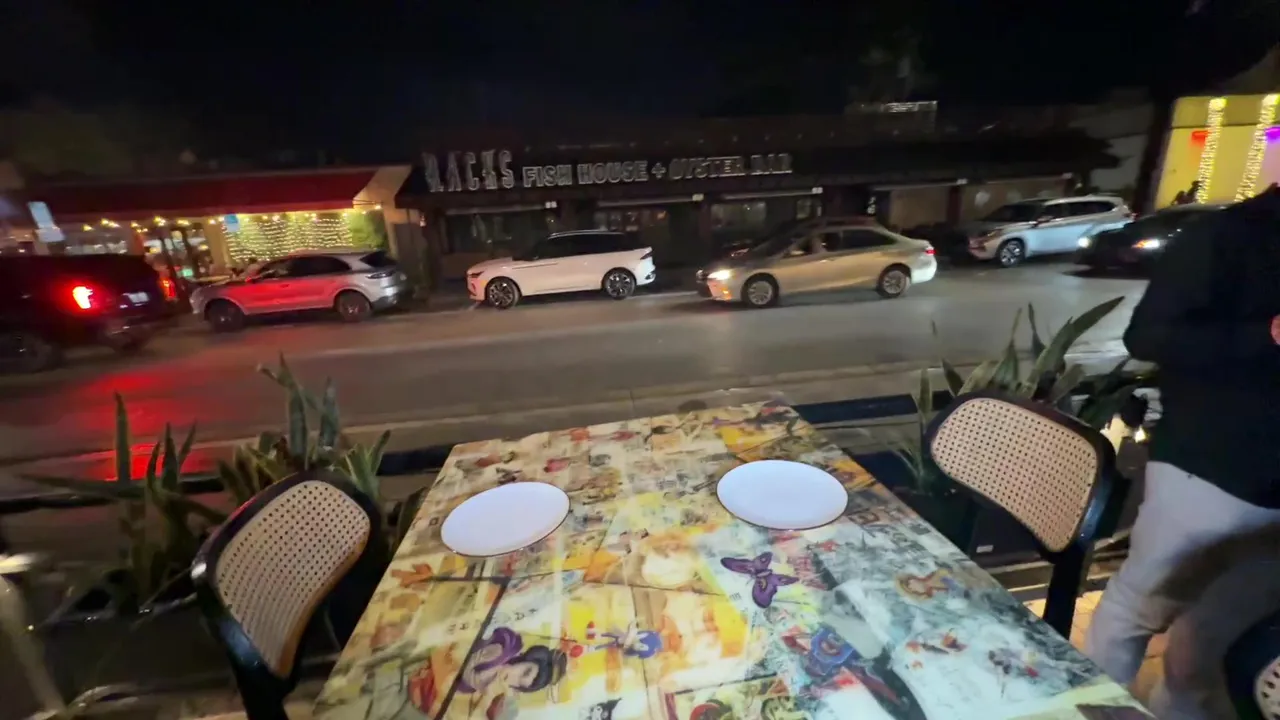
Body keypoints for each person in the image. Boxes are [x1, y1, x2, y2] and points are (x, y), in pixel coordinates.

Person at [1084, 185, 1280, 718]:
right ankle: (1089, 711)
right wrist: (1265, 334)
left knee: (1214, 642)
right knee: (1137, 610)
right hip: (1209, 466)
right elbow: (1148, 336)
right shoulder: (1225, 234)